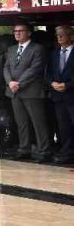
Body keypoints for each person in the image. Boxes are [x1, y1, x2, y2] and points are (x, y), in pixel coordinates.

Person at [4, 23, 52, 162]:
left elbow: (35, 69)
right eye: (15, 31)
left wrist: (19, 83)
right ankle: (24, 148)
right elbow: (6, 68)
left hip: (31, 91)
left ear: (29, 33)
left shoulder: (38, 49)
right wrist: (10, 82)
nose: (17, 33)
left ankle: (44, 150)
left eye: (21, 31)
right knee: (21, 122)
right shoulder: (11, 49)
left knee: (38, 122)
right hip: (14, 91)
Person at [48, 26, 74, 165]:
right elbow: (49, 72)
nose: (59, 37)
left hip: (71, 93)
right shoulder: (55, 53)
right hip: (58, 96)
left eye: (62, 34)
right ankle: (67, 152)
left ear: (71, 36)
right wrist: (52, 83)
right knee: (63, 126)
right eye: (58, 35)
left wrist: (68, 85)